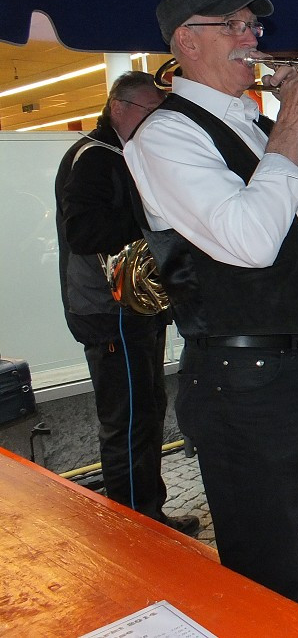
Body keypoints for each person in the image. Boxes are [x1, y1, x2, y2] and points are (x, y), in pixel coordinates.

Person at [124, 0, 298, 631]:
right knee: (271, 573)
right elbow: (249, 241)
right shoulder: (163, 137)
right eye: (230, 25)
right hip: (243, 380)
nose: (251, 37)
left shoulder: (261, 123)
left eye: (252, 26)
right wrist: (289, 130)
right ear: (186, 42)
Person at [55, 72, 200, 537]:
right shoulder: (95, 159)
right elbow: (82, 233)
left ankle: (146, 513)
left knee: (148, 408)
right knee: (130, 417)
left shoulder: (120, 155)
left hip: (131, 308)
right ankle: (135, 529)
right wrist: (151, 220)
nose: (156, 120)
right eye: (150, 110)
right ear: (119, 107)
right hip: (110, 310)